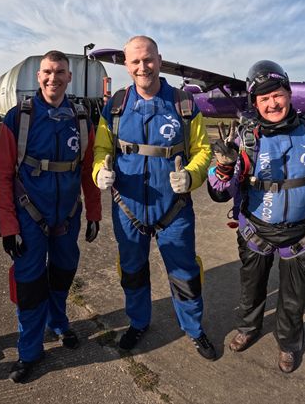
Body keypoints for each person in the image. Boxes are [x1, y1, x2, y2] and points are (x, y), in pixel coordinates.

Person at [208, 60, 305, 373]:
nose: (272, 103)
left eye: (277, 95)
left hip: (300, 235)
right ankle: (248, 327)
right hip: (255, 233)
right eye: (264, 98)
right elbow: (220, 191)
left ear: (289, 94)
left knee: (295, 296)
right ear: (255, 103)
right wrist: (224, 168)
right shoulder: (246, 139)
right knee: (251, 288)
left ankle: (289, 343)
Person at [92, 36, 216, 360]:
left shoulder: (183, 104)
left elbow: (203, 150)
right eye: (135, 61)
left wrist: (192, 175)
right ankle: (138, 323)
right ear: (126, 65)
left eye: (148, 59)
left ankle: (194, 329)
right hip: (127, 208)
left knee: (185, 274)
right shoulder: (115, 106)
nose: (142, 67)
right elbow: (101, 149)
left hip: (174, 209)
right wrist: (98, 172)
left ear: (159, 60)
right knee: (132, 271)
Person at [0, 50, 102, 383]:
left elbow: (88, 170)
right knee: (29, 284)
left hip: (68, 215)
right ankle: (29, 351)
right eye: (47, 72)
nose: (53, 78)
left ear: (69, 77)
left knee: (63, 272)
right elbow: (2, 175)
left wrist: (94, 211)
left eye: (59, 72)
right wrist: (8, 226)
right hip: (29, 215)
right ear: (38, 77)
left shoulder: (81, 119)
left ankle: (59, 322)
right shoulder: (18, 118)